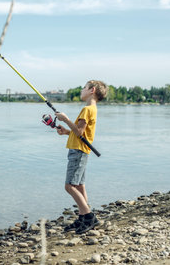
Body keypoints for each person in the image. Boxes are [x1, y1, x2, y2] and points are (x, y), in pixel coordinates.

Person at [55, 80, 108, 234]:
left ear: (92, 90)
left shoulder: (87, 109)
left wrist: (65, 118)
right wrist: (66, 131)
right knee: (79, 185)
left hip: (78, 151)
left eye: (84, 88)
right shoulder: (92, 109)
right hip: (81, 150)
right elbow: (80, 132)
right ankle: (83, 217)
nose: (81, 90)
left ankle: (89, 216)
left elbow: (79, 132)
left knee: (69, 186)